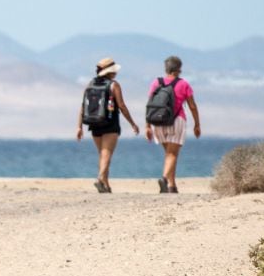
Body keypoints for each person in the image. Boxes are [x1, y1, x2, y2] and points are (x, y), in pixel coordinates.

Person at [76, 57, 141, 193]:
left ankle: (105, 185)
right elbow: (122, 106)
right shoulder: (113, 85)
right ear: (110, 72)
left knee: (102, 154)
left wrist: (79, 127)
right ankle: (100, 178)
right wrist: (133, 123)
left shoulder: (90, 84)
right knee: (106, 154)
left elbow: (83, 106)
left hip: (93, 123)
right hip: (110, 123)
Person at [145, 56, 202, 193]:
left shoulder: (156, 83)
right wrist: (197, 124)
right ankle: (164, 179)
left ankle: (172, 185)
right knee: (172, 154)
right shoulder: (184, 84)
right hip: (177, 121)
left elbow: (150, 105)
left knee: (169, 153)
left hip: (158, 122)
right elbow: (192, 106)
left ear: (166, 68)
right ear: (179, 69)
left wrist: (147, 126)